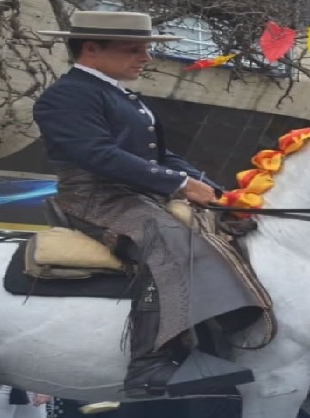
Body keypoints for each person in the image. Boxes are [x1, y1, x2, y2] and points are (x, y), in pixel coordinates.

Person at [33, 11, 268, 398]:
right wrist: (177, 184)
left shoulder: (117, 93)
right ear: (91, 48)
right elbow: (98, 155)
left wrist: (216, 191)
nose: (146, 57)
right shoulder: (65, 96)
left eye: (145, 49)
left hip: (135, 193)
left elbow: (162, 156)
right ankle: (149, 364)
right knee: (166, 241)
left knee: (221, 230)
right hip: (94, 197)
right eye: (134, 50)